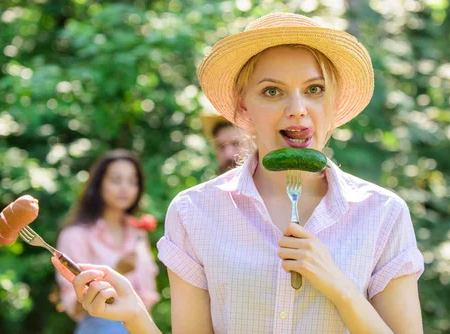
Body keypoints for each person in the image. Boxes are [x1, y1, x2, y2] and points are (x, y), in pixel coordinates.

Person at [52, 12, 425, 334]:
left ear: (333, 101)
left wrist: (339, 286)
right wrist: (135, 315)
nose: (297, 109)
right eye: (272, 91)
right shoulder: (194, 212)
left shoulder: (383, 214)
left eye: (314, 89)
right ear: (244, 107)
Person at [54, 149, 160, 333]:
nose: (125, 188)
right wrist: (117, 272)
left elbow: (147, 297)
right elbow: (76, 305)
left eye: (132, 181)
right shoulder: (75, 235)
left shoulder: (137, 234)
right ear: (98, 184)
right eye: (116, 180)